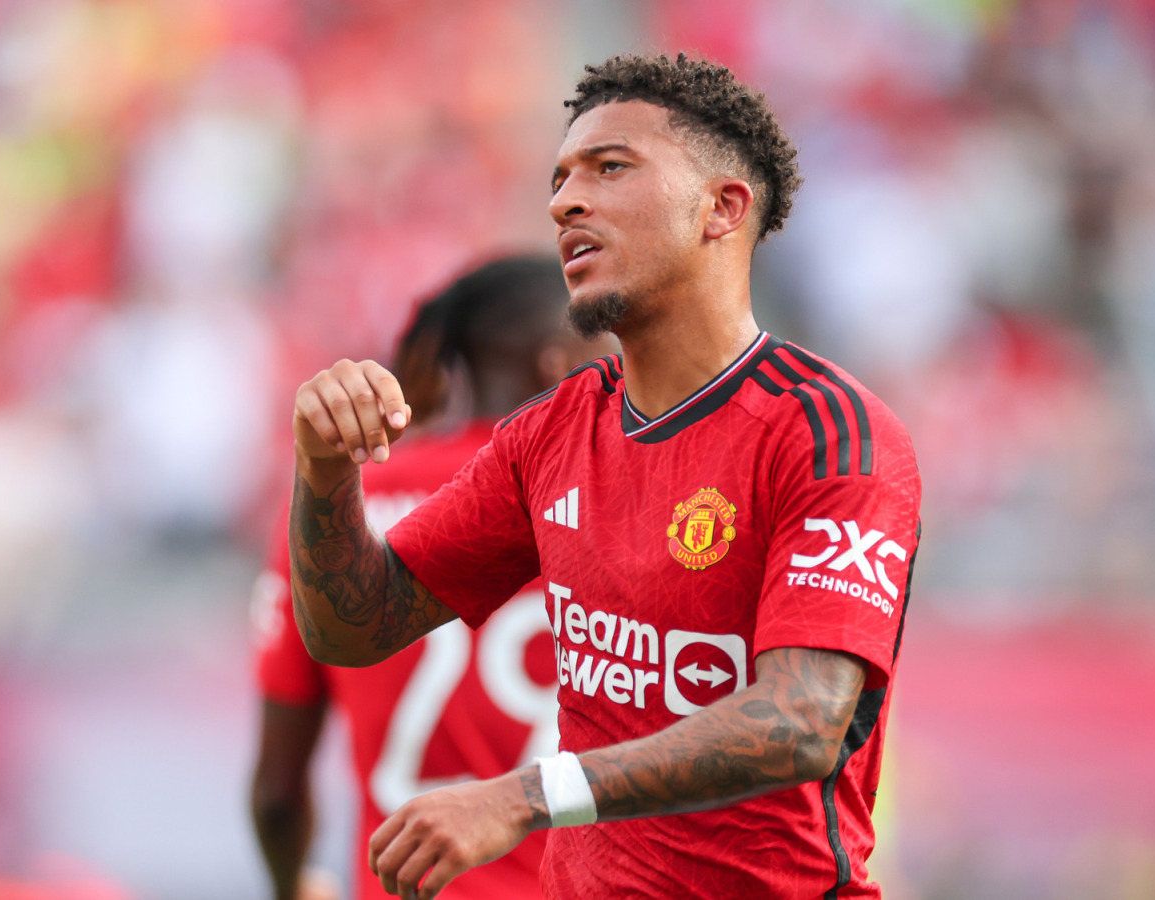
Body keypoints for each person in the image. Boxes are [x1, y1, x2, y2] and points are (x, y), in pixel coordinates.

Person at [288, 54, 923, 899]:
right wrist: (324, 469)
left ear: (723, 207)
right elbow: (353, 628)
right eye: (559, 179)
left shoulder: (827, 432)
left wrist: (526, 797)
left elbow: (800, 721)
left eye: (610, 167)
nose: (564, 202)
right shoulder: (552, 432)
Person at [251, 256, 612, 900]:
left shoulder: (333, 512)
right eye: (610, 359)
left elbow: (277, 794)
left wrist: (292, 886)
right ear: (556, 367)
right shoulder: (613, 499)